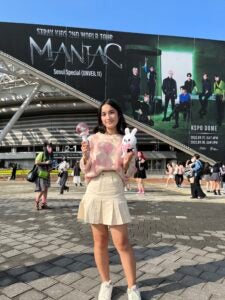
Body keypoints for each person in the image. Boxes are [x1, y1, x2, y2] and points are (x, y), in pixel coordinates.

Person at [77, 99, 141, 300]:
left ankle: (133, 287)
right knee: (100, 241)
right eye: (104, 114)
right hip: (95, 189)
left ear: (119, 115)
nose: (108, 117)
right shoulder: (93, 138)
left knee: (122, 242)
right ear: (100, 118)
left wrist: (129, 160)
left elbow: (129, 172)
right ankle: (106, 283)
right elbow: (84, 168)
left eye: (111, 112)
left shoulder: (126, 139)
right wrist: (85, 156)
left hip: (114, 188)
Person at [34, 141, 53, 210]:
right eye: (48, 147)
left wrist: (50, 168)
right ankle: (36, 201)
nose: (50, 148)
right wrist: (45, 162)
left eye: (50, 147)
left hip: (47, 174)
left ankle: (44, 204)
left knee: (46, 189)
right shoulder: (41, 154)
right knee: (43, 189)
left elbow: (49, 164)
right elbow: (36, 162)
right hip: (41, 174)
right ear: (45, 147)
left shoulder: (49, 155)